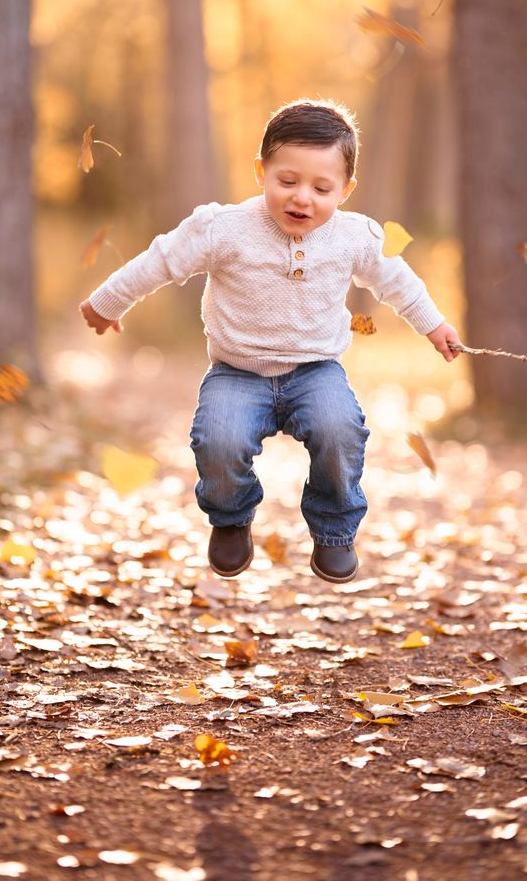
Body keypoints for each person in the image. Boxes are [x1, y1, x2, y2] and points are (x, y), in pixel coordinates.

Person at [80, 99, 460, 584]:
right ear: (261, 172)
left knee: (341, 431)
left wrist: (434, 325)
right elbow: (162, 259)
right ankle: (231, 518)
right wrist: (108, 302)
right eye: (288, 181)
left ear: (346, 190)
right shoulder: (225, 228)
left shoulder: (355, 236)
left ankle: (335, 531)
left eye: (322, 188)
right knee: (217, 440)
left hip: (316, 371)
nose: (302, 198)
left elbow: (398, 282)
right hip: (237, 374)